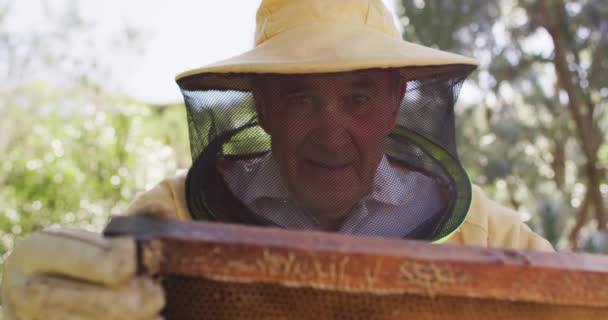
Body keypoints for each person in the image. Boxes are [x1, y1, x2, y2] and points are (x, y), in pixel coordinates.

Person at [1, 0, 553, 319]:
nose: (331, 134)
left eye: (357, 98)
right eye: (300, 97)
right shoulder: (171, 217)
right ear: (262, 106)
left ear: (393, 104)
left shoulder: (489, 235)